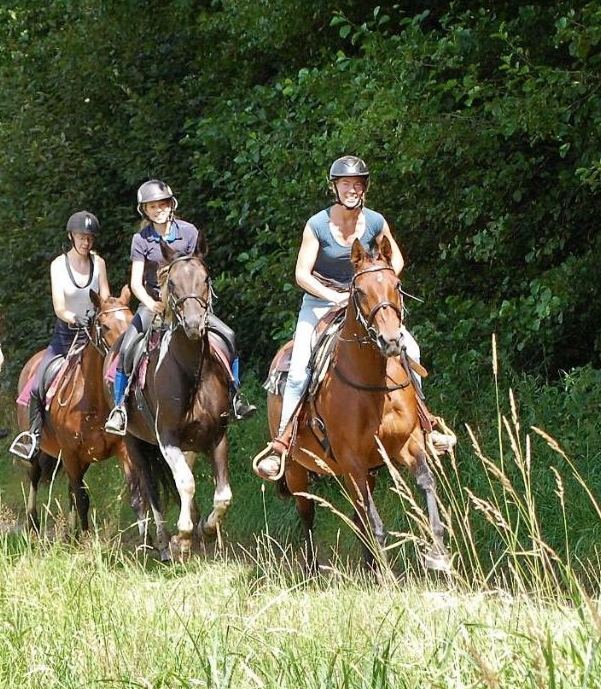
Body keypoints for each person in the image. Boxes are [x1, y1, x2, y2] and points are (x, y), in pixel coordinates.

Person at [257, 155, 452, 481]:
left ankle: (425, 424)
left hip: (368, 306)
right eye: (346, 183)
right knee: (298, 370)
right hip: (321, 304)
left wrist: (379, 284)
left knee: (412, 351)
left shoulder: (375, 221)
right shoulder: (317, 225)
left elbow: (397, 258)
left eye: (357, 184)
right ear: (334, 187)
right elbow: (301, 274)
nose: (352, 189)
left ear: (364, 188)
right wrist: (333, 296)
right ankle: (282, 442)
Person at [103, 179, 257, 435]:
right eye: (152, 207)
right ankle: (119, 408)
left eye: (162, 204)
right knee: (127, 347)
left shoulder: (188, 232)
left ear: (171, 204)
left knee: (228, 336)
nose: (158, 210)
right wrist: (151, 303)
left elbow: (197, 269)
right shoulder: (141, 240)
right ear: (145, 211)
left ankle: (236, 395)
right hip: (154, 302)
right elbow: (135, 281)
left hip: (189, 304)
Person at [10, 211, 111, 460]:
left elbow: (106, 297)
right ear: (71, 236)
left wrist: (105, 317)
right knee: (38, 384)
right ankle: (33, 436)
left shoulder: (99, 264)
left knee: (119, 371)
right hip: (67, 336)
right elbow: (59, 306)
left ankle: (127, 422)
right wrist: (75, 318)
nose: (86, 242)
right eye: (81, 237)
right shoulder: (58, 264)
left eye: (90, 238)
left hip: (97, 335)